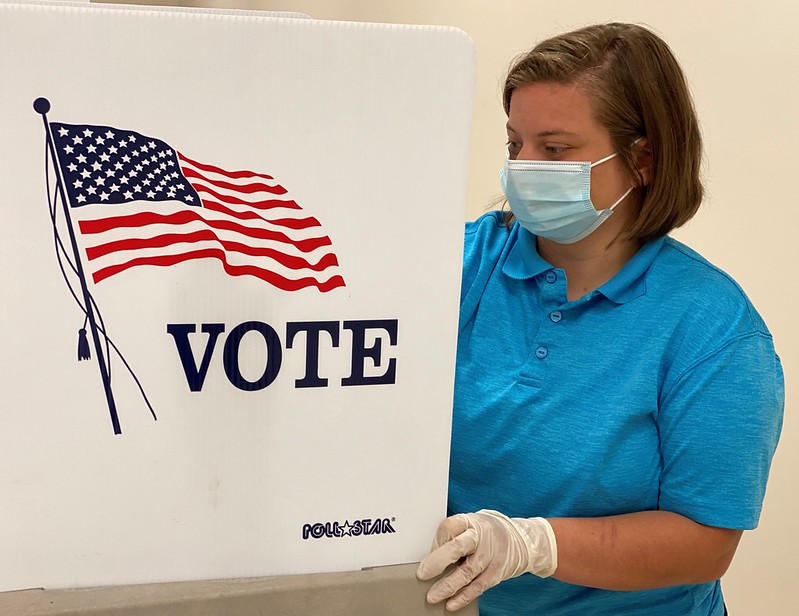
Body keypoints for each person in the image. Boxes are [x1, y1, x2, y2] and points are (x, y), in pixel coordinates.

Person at [416, 22, 784, 615]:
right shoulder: (459, 267)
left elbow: (705, 544)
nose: (523, 169)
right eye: (515, 145)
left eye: (555, 149)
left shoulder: (712, 328)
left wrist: (533, 544)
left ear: (642, 160)